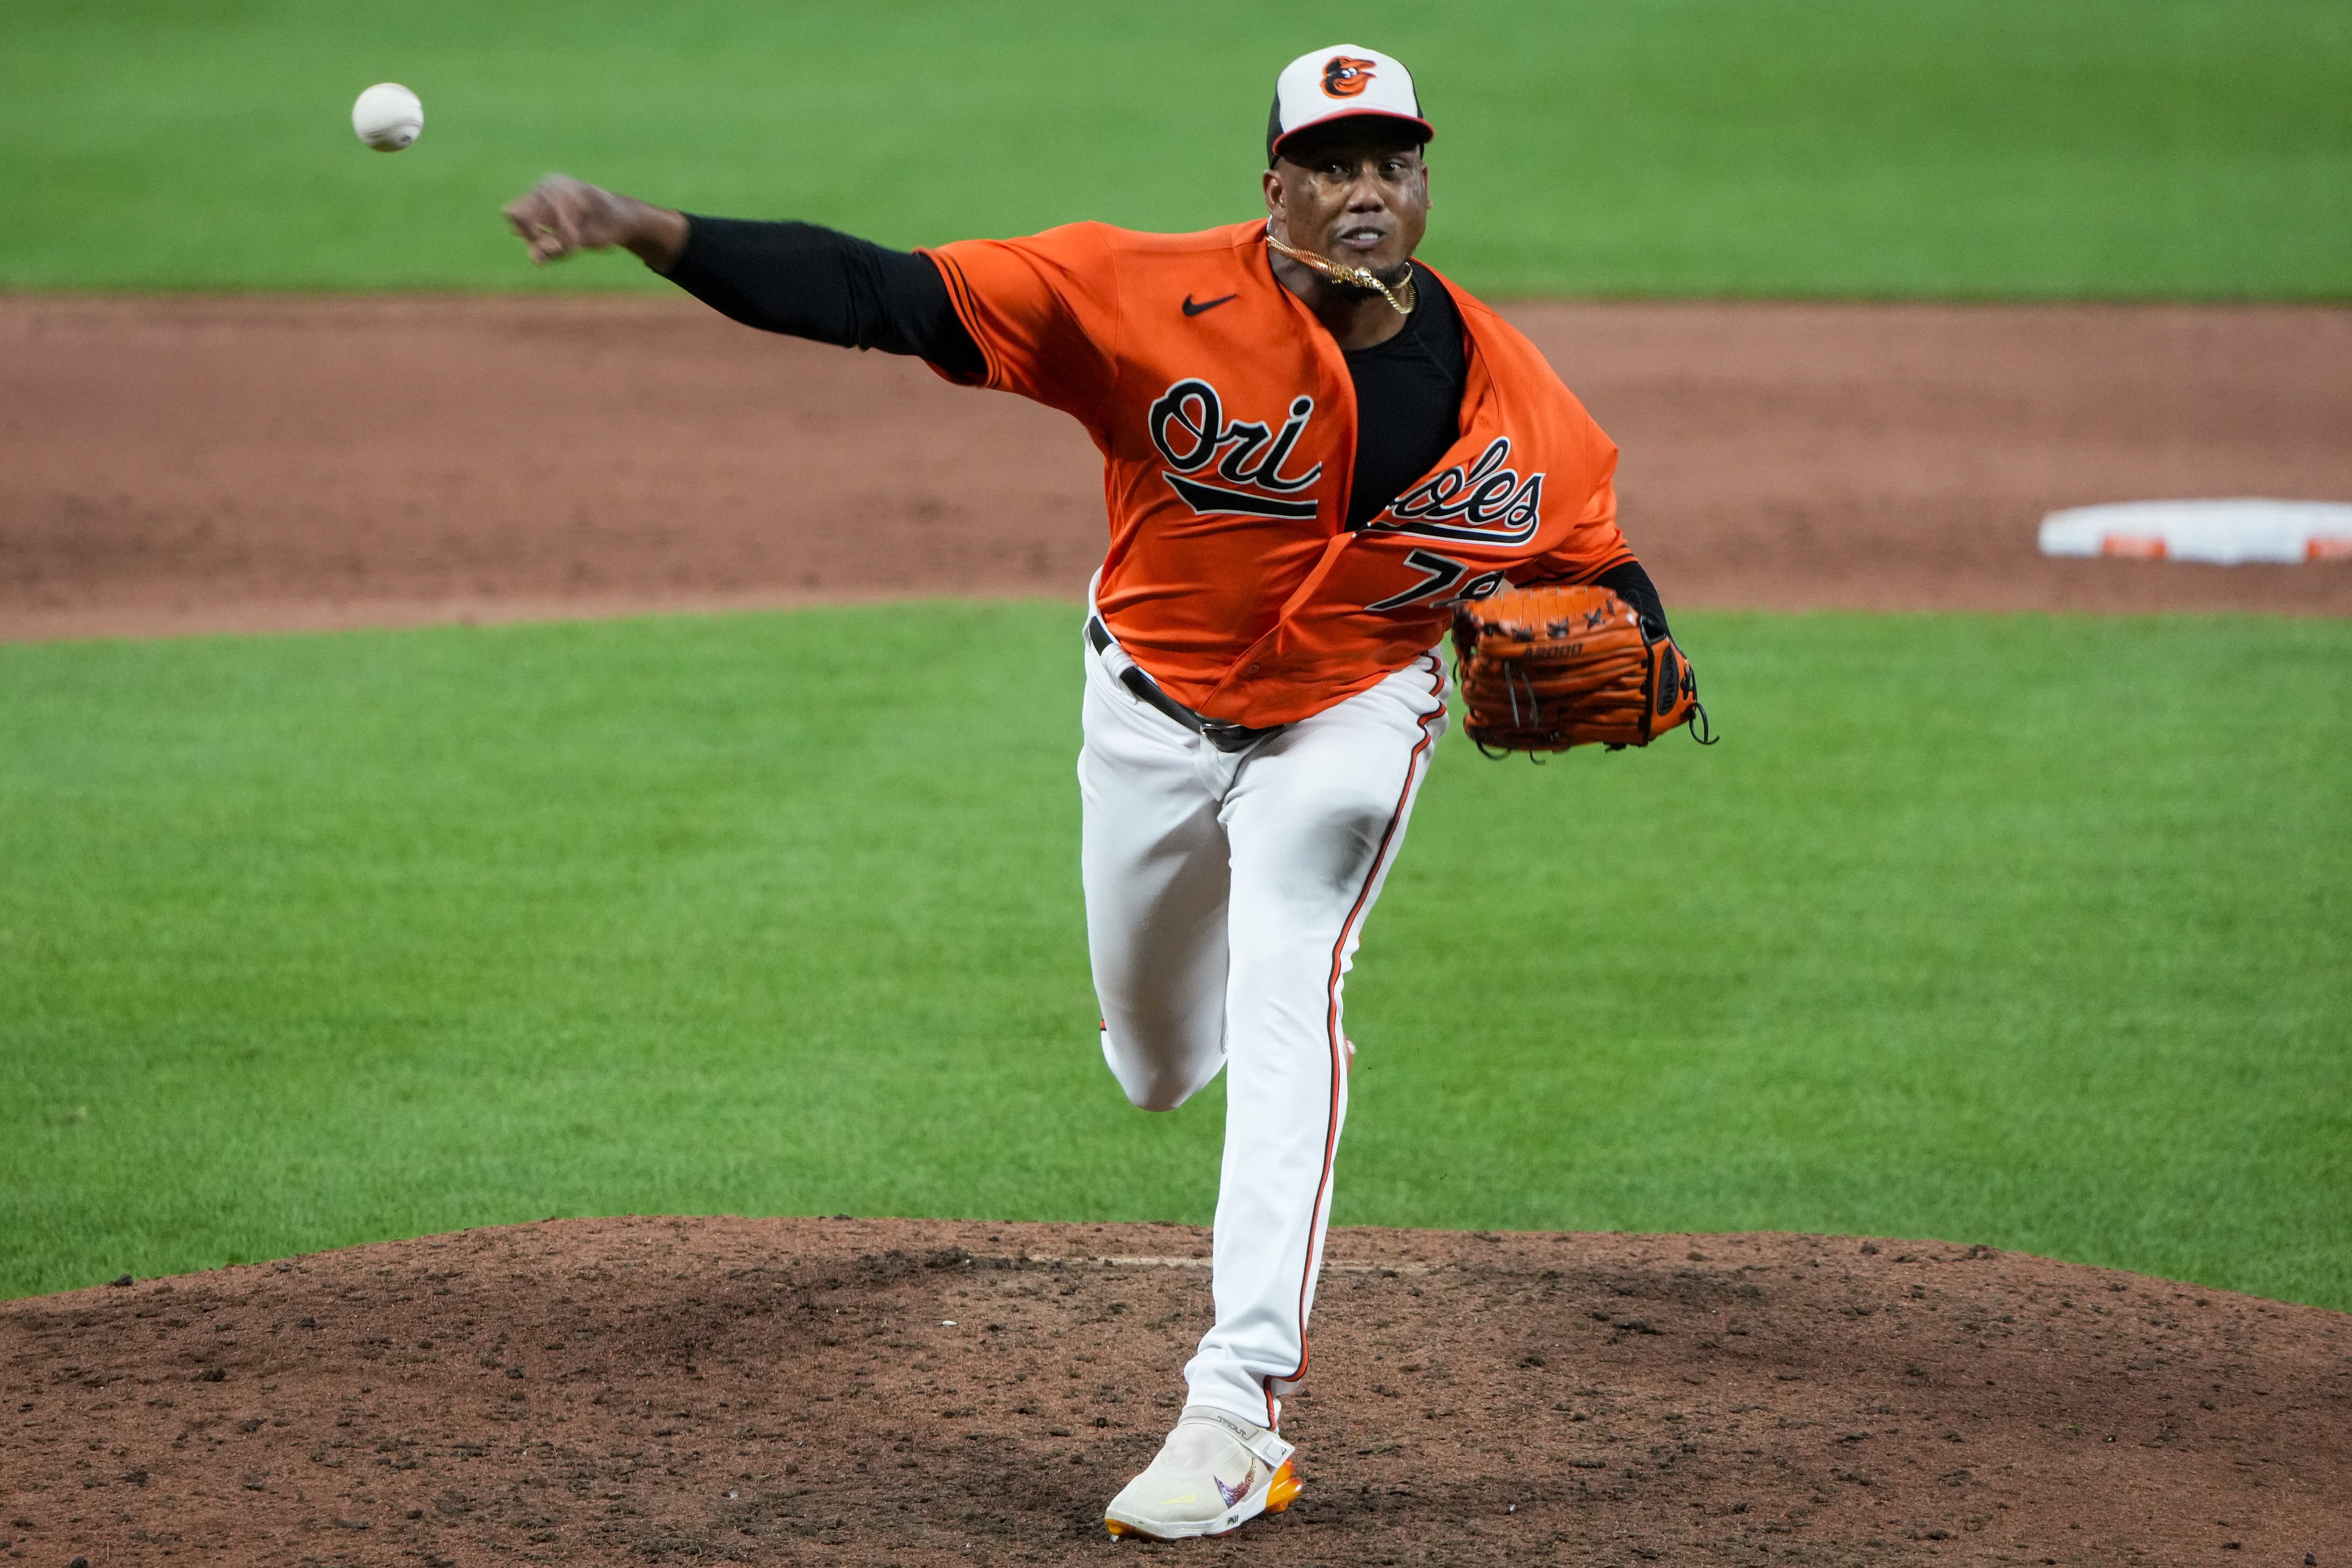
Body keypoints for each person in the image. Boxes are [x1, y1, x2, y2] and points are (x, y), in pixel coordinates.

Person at [503, 43, 1674, 1542]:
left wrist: (1642, 621)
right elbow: (882, 293)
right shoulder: (1137, 296)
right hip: (1145, 718)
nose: (1364, 189)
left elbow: (1589, 550)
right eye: (1330, 163)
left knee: (1290, 977)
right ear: (1274, 189)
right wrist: (646, 226)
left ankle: (1237, 1407)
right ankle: (1176, 1112)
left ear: (1427, 185)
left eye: (1391, 162)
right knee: (1155, 1064)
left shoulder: (1509, 391)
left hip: (1352, 717)